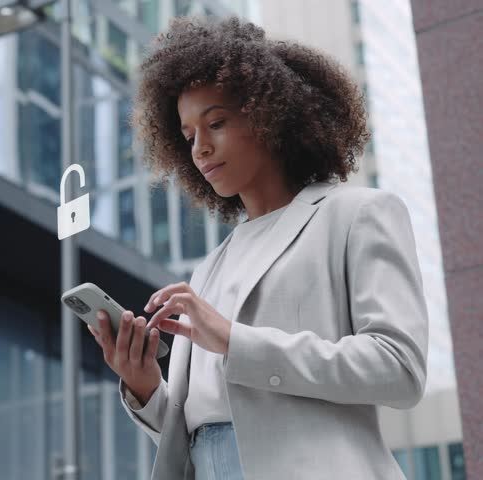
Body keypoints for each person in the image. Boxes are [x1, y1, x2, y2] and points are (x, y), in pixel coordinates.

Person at [86, 16, 428, 480]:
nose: (200, 149)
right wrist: (144, 385)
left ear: (272, 114)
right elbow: (202, 433)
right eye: (188, 137)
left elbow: (400, 369)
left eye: (217, 123)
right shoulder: (209, 268)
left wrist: (232, 339)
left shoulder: (358, 214)